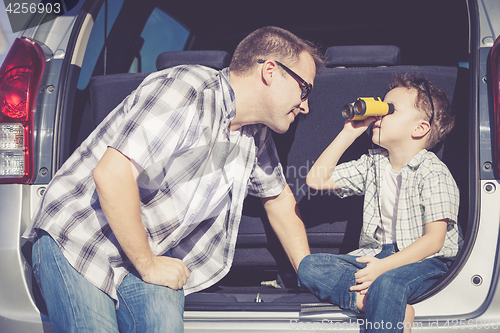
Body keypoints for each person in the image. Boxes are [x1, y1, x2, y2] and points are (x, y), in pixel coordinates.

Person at [23, 26, 323, 333]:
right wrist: (149, 265)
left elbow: (278, 199)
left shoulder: (254, 134)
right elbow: (113, 174)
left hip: (149, 255)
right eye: (305, 89)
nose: (306, 106)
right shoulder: (187, 89)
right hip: (82, 238)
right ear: (270, 71)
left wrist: (312, 273)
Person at [299, 74, 463, 332]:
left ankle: (383, 298)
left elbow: (434, 241)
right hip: (378, 254)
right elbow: (317, 179)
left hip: (426, 260)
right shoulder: (373, 163)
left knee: (388, 283)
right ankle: (379, 304)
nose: (379, 117)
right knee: (309, 267)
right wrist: (348, 133)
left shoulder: (433, 172)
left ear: (419, 128)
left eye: (390, 110)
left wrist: (384, 268)